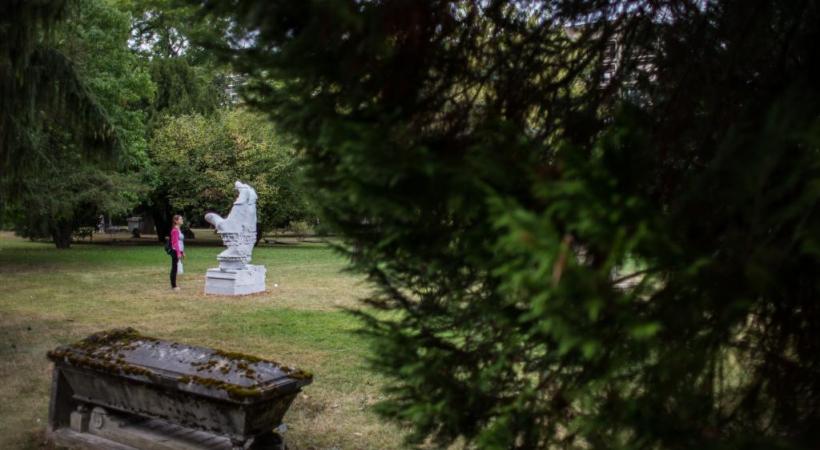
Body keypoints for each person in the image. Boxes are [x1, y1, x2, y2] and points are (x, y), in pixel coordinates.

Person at [169, 215, 185, 290]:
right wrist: (178, 253)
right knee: (174, 268)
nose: (182, 220)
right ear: (176, 221)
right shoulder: (175, 230)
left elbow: (180, 242)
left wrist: (182, 251)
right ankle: (174, 286)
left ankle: (174, 285)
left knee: (175, 267)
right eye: (180, 219)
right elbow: (175, 243)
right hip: (175, 251)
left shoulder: (179, 229)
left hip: (179, 251)